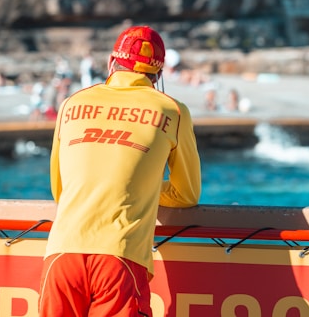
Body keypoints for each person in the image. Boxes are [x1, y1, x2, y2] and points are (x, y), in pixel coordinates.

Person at [38, 25, 202, 317]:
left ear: (111, 63)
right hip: (120, 256)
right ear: (158, 75)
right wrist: (142, 187)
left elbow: (60, 189)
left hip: (61, 253)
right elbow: (186, 193)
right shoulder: (173, 111)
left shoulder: (71, 104)